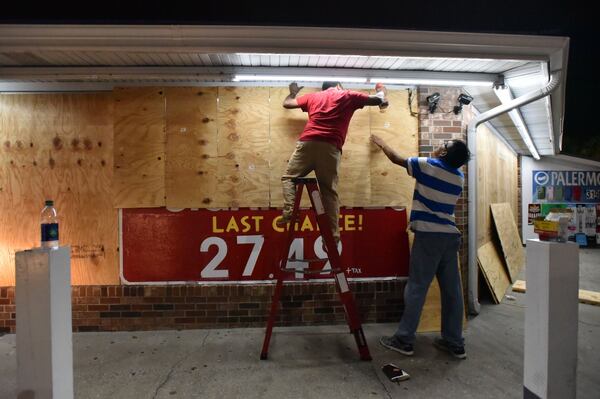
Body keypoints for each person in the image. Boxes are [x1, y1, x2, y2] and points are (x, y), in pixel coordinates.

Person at [370, 135, 470, 359]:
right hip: (449, 237)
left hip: (429, 236)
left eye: (442, 145)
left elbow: (397, 159)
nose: (438, 147)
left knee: (417, 287)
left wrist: (381, 142)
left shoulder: (428, 166)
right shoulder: (459, 177)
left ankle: (403, 340)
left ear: (444, 152)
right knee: (452, 291)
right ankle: (455, 343)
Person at [278, 81, 388, 246]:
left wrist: (293, 92)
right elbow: (378, 100)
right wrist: (381, 91)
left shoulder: (314, 97)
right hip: (330, 148)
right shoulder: (348, 95)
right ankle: (331, 239)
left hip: (307, 143)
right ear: (339, 85)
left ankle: (289, 213)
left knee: (289, 178)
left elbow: (287, 103)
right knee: (328, 192)